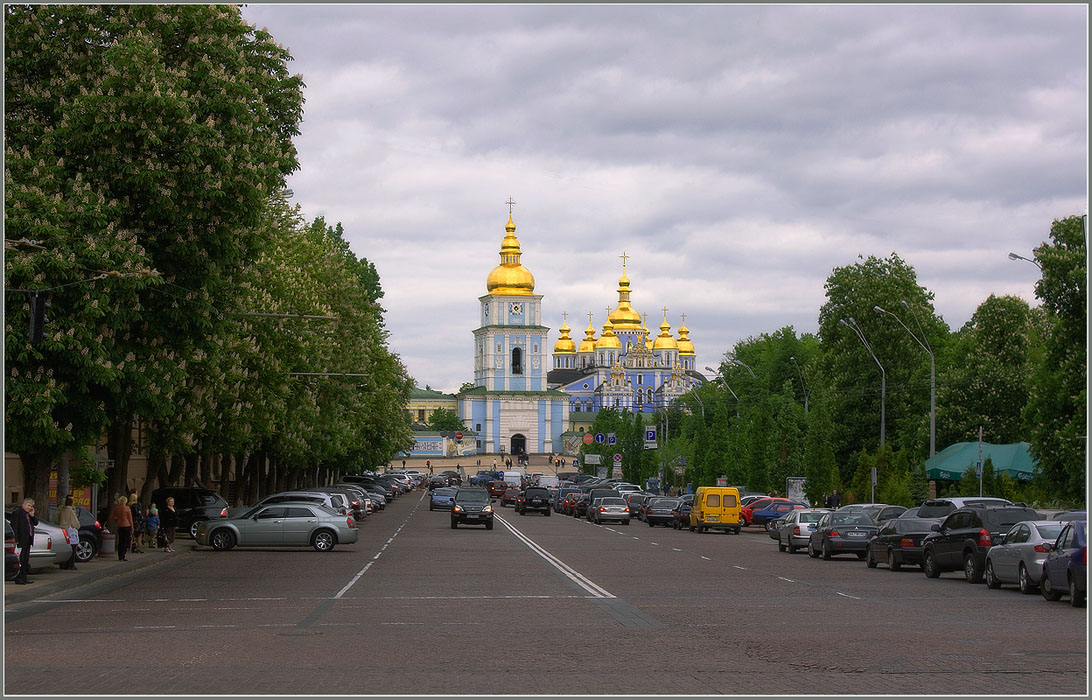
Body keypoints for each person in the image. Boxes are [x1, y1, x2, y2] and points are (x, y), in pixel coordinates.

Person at [11, 498, 37, 584]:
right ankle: (19, 578)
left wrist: (32, 515)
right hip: (21, 540)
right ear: (24, 504)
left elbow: (36, 523)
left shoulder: (28, 514)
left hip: (28, 539)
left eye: (31, 506)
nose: (30, 507)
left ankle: (24, 577)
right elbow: (14, 526)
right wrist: (16, 539)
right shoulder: (18, 513)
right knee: (21, 560)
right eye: (29, 505)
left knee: (26, 560)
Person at [56, 495, 81, 570]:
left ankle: (63, 564)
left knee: (64, 547)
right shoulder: (71, 511)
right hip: (70, 530)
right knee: (73, 547)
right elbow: (75, 522)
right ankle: (71, 564)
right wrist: (77, 526)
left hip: (63, 529)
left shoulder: (62, 510)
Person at [111, 495, 133, 561]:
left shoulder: (116, 508)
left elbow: (112, 517)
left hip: (120, 526)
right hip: (127, 525)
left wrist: (116, 520)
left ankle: (120, 555)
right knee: (126, 541)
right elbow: (130, 519)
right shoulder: (127, 508)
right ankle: (123, 554)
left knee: (121, 540)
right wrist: (132, 527)